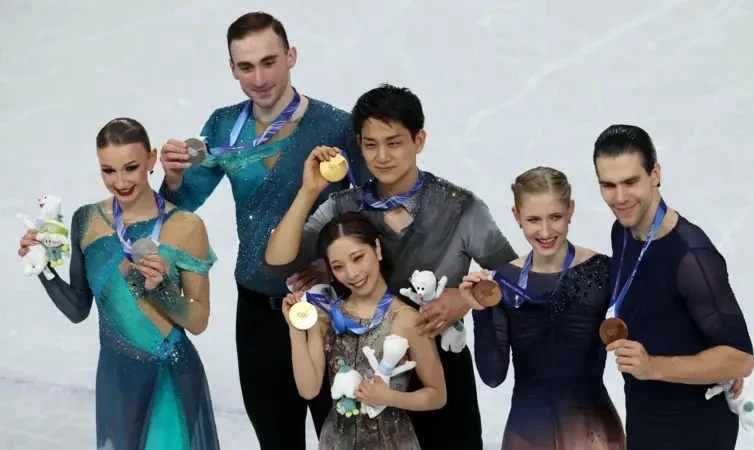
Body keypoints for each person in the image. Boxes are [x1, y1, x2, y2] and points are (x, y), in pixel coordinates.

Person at [157, 12, 370, 449]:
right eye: (246, 67)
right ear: (232, 69)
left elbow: (374, 211)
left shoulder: (335, 125)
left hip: (332, 311)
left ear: (291, 56)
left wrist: (334, 268)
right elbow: (181, 207)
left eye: (269, 62)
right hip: (257, 313)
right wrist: (174, 178)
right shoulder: (223, 126)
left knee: (345, 440)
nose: (259, 79)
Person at [264, 83, 518, 449]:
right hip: (357, 378)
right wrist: (308, 192)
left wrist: (465, 298)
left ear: (419, 140)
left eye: (394, 142)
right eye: (370, 144)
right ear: (359, 144)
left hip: (438, 374)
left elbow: (512, 276)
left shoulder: (461, 207)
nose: (382, 156)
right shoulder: (342, 207)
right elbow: (277, 263)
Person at [17, 118, 220, 449]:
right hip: (115, 378)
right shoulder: (87, 220)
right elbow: (77, 308)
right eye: (108, 171)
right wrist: (43, 268)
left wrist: (161, 291)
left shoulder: (186, 226)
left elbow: (199, 321)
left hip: (169, 375)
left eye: (131, 168)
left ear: (151, 159)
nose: (121, 182)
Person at [592, 124, 754, 450]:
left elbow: (740, 359)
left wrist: (653, 366)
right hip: (645, 415)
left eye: (630, 182)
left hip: (695, 429)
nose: (620, 198)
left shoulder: (692, 257)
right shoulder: (621, 231)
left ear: (655, 174)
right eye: (608, 185)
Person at [458, 167, 626, 450]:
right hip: (528, 432)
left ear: (571, 210)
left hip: (592, 431)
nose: (545, 231)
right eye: (533, 220)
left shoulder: (603, 271)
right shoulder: (503, 281)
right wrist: (481, 310)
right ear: (516, 216)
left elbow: (650, 327)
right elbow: (493, 376)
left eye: (555, 217)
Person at [281, 211, 447, 449]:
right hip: (336, 442)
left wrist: (390, 397)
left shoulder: (407, 319)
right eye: (338, 267)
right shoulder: (328, 316)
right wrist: (296, 329)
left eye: (358, 258)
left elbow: (437, 395)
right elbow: (309, 390)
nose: (352, 273)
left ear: (377, 249)